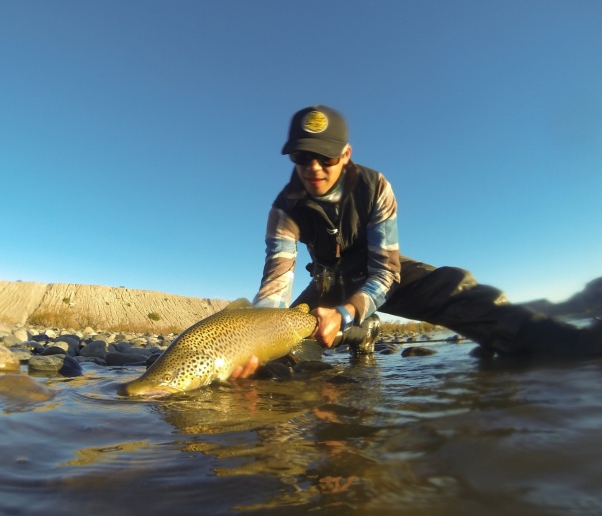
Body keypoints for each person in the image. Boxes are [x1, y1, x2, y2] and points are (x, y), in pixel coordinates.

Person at [232, 104, 601, 379]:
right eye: (302, 156)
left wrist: (344, 313)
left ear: (345, 155)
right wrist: (254, 338)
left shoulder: (376, 188)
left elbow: (384, 275)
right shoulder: (284, 209)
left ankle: (570, 344)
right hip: (327, 281)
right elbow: (275, 287)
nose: (314, 167)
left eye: (325, 156)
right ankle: (364, 332)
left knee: (456, 290)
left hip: (380, 271)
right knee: (276, 366)